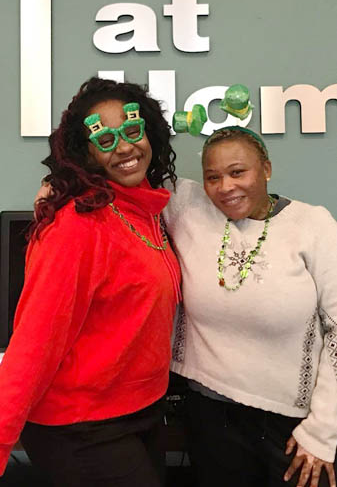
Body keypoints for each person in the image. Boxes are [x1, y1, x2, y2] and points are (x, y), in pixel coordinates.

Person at [0, 76, 181, 486]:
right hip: (80, 427)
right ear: (87, 153)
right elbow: (33, 344)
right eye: (105, 141)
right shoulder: (76, 225)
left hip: (141, 411)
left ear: (149, 132)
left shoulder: (148, 210)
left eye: (132, 131)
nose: (124, 148)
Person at [163, 126, 337, 487]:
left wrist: (322, 433)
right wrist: (59, 186)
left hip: (293, 425)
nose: (226, 186)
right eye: (213, 177)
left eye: (238, 172)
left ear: (267, 169)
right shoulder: (187, 206)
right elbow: (123, 169)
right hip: (211, 417)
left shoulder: (313, 225)